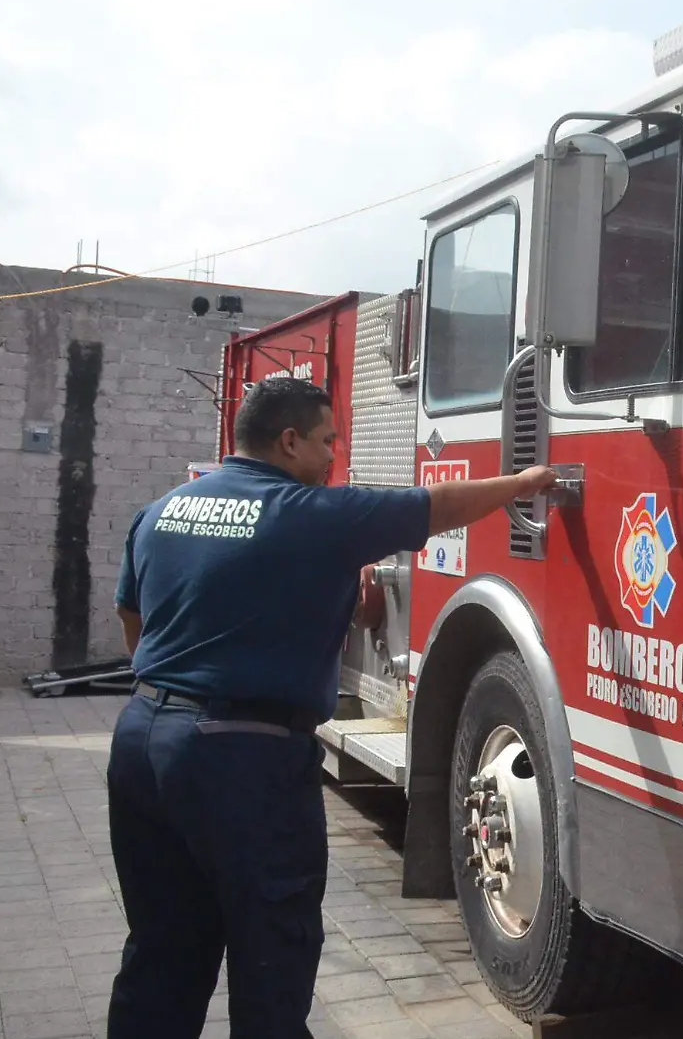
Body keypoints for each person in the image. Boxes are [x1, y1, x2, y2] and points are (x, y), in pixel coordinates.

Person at [106, 376, 561, 1037]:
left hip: (142, 740)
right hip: (243, 757)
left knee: (162, 946)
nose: (331, 457)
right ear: (288, 441)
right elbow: (435, 506)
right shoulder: (311, 516)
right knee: (271, 955)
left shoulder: (162, 510)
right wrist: (521, 485)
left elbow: (131, 621)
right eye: (325, 441)